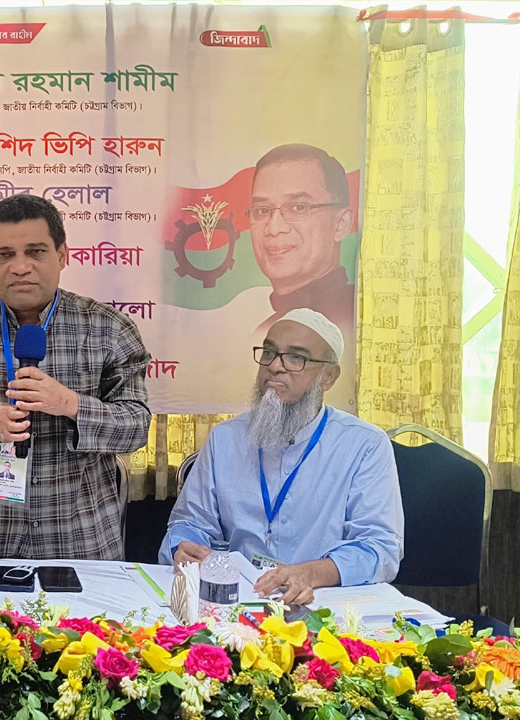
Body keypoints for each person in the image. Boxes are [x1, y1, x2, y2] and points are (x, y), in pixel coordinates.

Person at [0, 194, 152, 560]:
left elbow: (136, 428)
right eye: (5, 254)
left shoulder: (109, 329)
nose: (20, 267)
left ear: (62, 255)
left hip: (79, 537)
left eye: (36, 252)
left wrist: (71, 405)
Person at [159, 308, 403, 603]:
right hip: (238, 599)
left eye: (296, 358)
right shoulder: (225, 439)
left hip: (325, 601)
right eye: (269, 353)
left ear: (328, 376)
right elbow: (190, 523)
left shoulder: (364, 445)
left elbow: (379, 548)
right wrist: (184, 547)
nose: (275, 366)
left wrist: (310, 573)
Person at [248, 144, 356, 332]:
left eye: (297, 208)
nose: (273, 228)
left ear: (340, 224)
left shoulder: (359, 318)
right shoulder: (264, 331)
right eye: (262, 211)